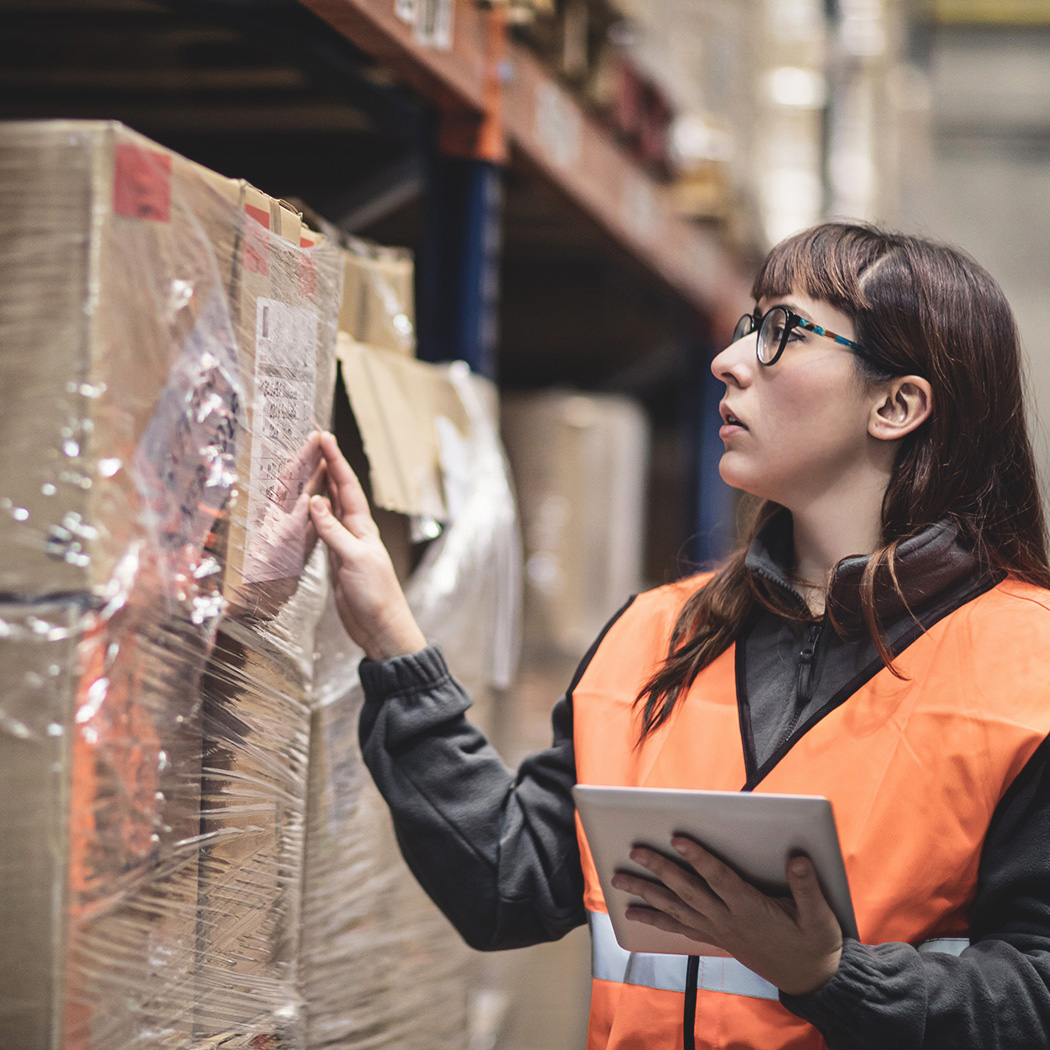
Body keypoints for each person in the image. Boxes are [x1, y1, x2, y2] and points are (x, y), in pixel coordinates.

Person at [307, 221, 1050, 1050]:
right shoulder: (658, 637)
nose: (729, 362)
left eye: (781, 332)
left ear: (897, 404)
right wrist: (393, 643)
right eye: (747, 326)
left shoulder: (1028, 671)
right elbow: (504, 884)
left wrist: (834, 976)